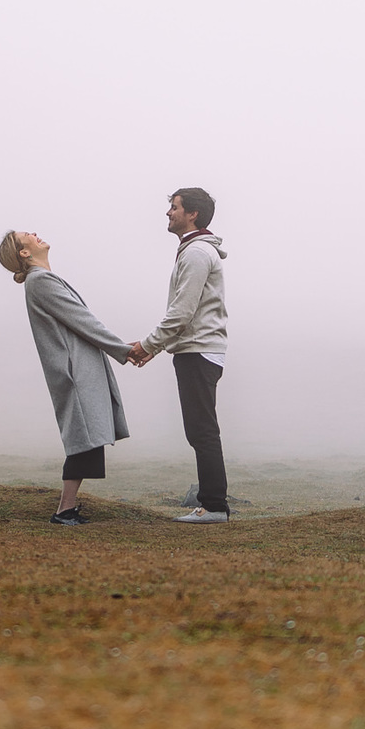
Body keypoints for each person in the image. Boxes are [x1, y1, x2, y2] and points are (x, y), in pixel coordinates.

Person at [0, 229, 133, 525]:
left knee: (86, 436)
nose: (35, 234)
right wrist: (124, 350)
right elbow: (82, 320)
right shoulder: (41, 281)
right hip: (74, 370)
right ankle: (64, 510)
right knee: (82, 437)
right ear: (24, 252)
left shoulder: (41, 280)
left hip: (77, 366)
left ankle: (66, 508)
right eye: (28, 236)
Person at [128, 188, 230, 522]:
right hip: (195, 348)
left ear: (192, 214)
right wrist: (157, 347)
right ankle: (212, 504)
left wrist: (148, 345)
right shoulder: (193, 250)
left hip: (199, 349)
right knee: (199, 429)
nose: (168, 213)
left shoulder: (197, 253)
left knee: (202, 430)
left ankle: (214, 506)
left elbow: (181, 312)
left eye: (174, 207)